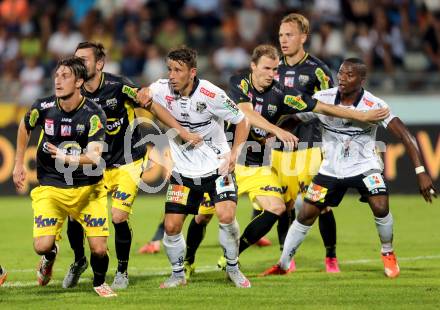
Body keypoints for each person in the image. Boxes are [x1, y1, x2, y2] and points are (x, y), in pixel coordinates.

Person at [182, 45, 389, 278]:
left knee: (277, 208)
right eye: (266, 68)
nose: (271, 73)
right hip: (227, 162)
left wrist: (361, 115)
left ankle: (233, 255)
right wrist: (276, 131)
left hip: (257, 166)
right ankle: (188, 261)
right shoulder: (239, 83)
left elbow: (322, 107)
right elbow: (245, 114)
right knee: (203, 215)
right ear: (253, 67)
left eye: (275, 68)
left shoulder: (283, 94)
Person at [261, 58, 437, 277]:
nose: (342, 78)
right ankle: (283, 264)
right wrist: (275, 132)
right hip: (331, 169)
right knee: (306, 214)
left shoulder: (374, 105)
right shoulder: (323, 98)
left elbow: (406, 136)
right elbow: (295, 118)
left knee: (381, 206)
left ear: (361, 80)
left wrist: (421, 172)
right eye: (341, 73)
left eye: (349, 75)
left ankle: (388, 252)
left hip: (364, 167)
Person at [63, 42, 200, 290]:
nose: (78, 64)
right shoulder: (74, 91)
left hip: (128, 161)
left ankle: (122, 271)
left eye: (84, 59)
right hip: (92, 165)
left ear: (100, 63)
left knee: (118, 216)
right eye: (76, 59)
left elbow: (150, 105)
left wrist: (177, 133)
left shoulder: (118, 85)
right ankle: (79, 260)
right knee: (74, 216)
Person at [147, 46, 252, 288]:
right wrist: (143, 95)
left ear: (192, 72)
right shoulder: (161, 88)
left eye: (178, 70)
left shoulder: (211, 94)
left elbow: (242, 120)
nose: (172, 75)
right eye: (170, 69)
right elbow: (145, 96)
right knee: (171, 227)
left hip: (217, 167)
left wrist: (235, 152)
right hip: (182, 172)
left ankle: (233, 267)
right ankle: (178, 274)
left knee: (226, 216)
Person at [13, 57, 115, 297]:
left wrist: (65, 156)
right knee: (41, 246)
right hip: (52, 187)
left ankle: (100, 283)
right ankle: (50, 255)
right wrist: (18, 163)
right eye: (57, 75)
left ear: (79, 81)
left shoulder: (93, 114)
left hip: (88, 188)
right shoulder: (44, 107)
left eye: (65, 76)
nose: (58, 81)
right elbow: (25, 125)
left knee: (99, 249)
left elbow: (94, 156)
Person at [272, 12, 340, 273]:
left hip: (311, 143)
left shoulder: (318, 70)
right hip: (280, 145)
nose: (284, 40)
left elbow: (330, 104)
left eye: (289, 35)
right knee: (283, 204)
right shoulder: (273, 67)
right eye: (280, 35)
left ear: (303, 37)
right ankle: (285, 259)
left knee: (318, 203)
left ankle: (331, 257)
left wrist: (296, 116)